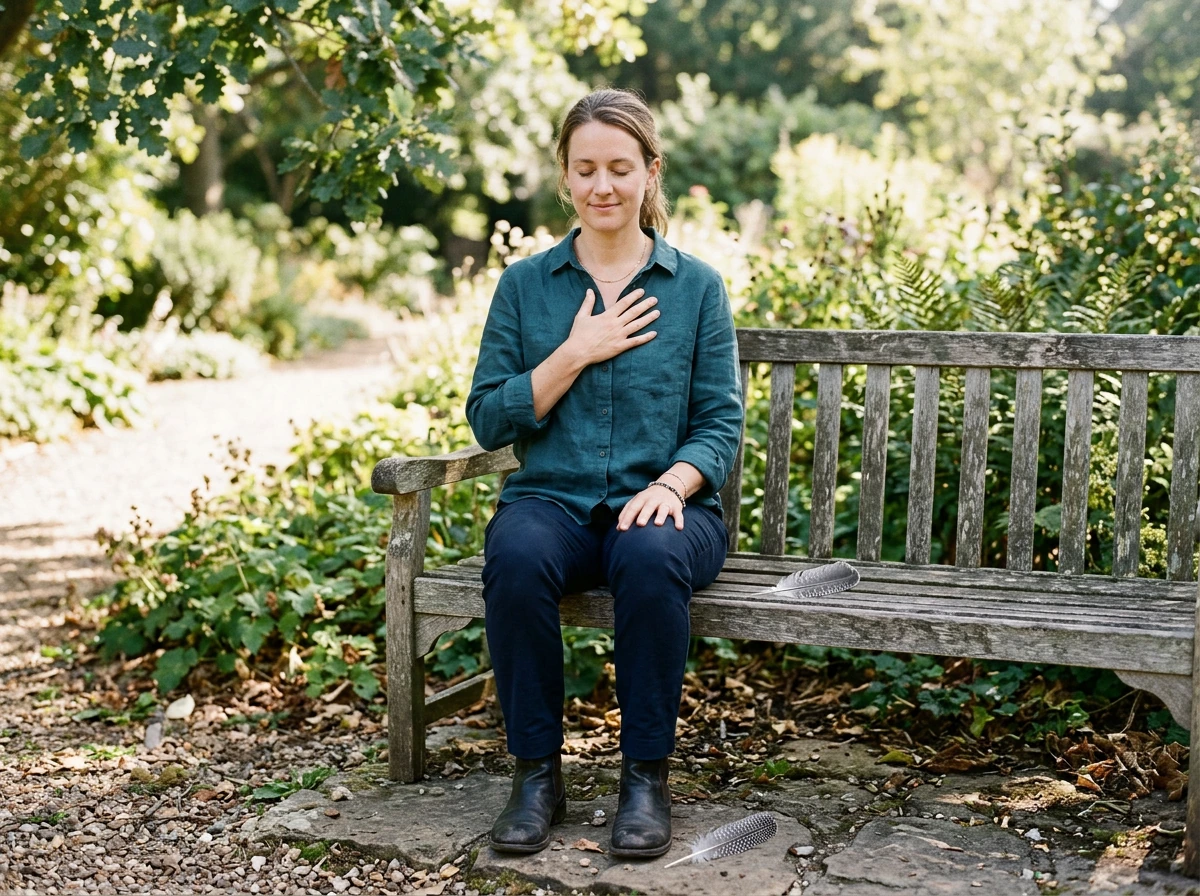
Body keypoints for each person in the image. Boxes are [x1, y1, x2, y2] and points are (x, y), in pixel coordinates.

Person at [465, 87, 744, 859]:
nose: (603, 186)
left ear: (651, 172)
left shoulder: (695, 288)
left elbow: (720, 423)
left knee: (652, 560)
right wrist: (573, 352)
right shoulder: (527, 286)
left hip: (669, 508)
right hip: (551, 501)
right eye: (585, 168)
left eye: (620, 167)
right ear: (564, 176)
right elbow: (489, 417)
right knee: (515, 557)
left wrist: (672, 485)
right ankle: (536, 776)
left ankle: (645, 780)